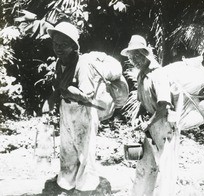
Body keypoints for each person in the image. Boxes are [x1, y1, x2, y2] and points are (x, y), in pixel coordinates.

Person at [42, 21, 110, 195]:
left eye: (63, 44)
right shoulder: (60, 63)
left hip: (83, 110)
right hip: (66, 109)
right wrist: (50, 102)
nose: (58, 48)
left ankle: (85, 187)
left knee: (85, 149)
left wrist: (68, 90)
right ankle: (66, 181)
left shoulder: (83, 64)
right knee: (67, 147)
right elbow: (59, 88)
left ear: (73, 46)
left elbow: (86, 96)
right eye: (55, 43)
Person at [121, 35, 178, 196]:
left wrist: (149, 123)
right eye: (131, 57)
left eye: (137, 56)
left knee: (166, 167)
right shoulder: (141, 74)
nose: (134, 60)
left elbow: (164, 106)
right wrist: (137, 118)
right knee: (145, 165)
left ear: (145, 54)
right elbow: (140, 100)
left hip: (163, 124)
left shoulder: (157, 74)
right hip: (151, 123)